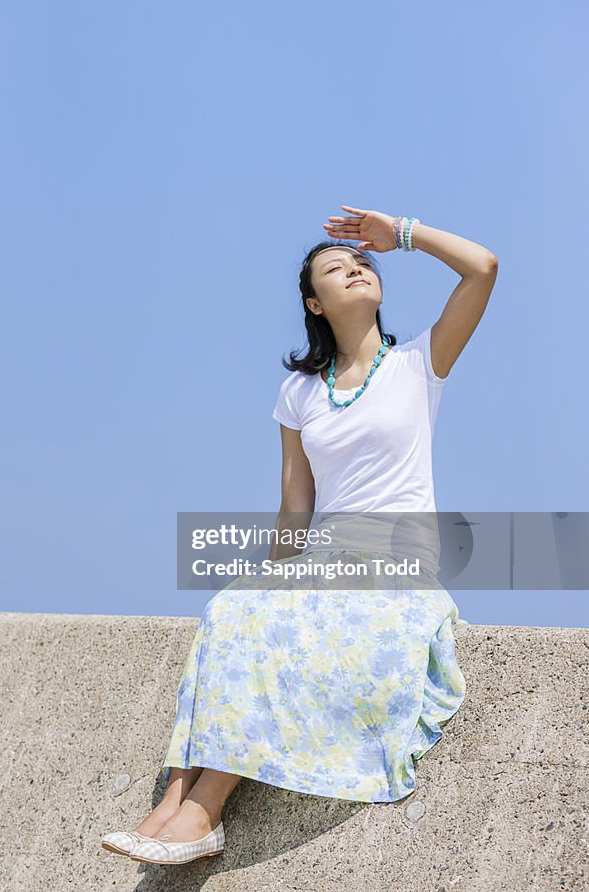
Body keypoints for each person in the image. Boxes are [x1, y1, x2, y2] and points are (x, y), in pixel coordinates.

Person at [101, 207, 498, 866]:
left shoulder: (417, 365)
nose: (355, 268)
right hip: (323, 563)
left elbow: (481, 266)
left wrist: (399, 234)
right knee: (232, 611)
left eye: (360, 262)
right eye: (337, 268)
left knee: (286, 627)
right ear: (314, 303)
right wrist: (267, 580)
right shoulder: (299, 394)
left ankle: (202, 810)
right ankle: (170, 806)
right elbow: (295, 509)